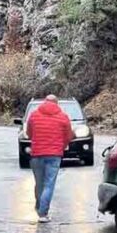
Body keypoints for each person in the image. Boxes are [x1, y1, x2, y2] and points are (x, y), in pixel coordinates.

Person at [27, 94, 75, 223]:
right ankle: (43, 214)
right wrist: (62, 146)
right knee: (49, 184)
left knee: (39, 183)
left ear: (44, 102)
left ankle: (39, 206)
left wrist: (36, 140)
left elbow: (29, 134)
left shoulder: (34, 115)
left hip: (36, 154)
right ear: (57, 103)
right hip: (54, 155)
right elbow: (69, 136)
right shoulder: (63, 117)